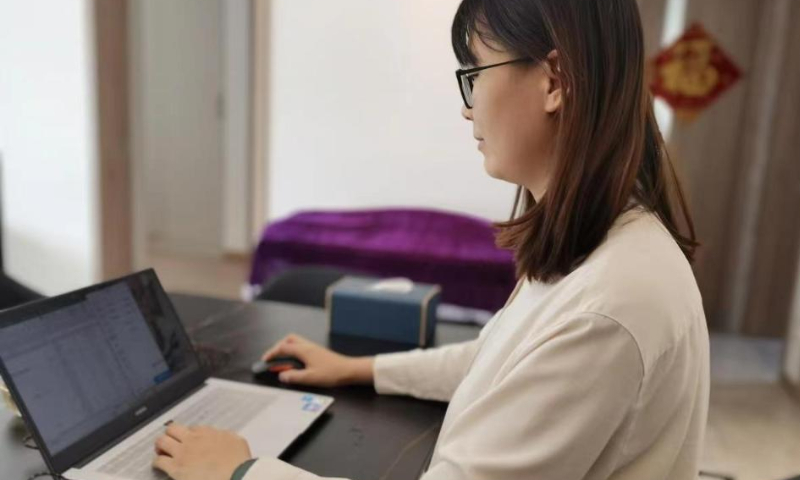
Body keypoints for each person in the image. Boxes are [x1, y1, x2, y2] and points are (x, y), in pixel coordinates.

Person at [152, 0, 710, 478]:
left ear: (555, 81)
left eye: (475, 73)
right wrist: (361, 369)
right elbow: (500, 361)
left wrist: (242, 470)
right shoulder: (604, 246)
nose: (467, 107)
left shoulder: (610, 305)